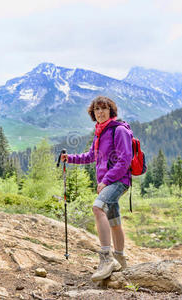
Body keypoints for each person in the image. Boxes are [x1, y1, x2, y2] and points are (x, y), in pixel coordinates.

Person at [61, 96, 133, 281]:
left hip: (119, 181)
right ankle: (120, 260)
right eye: (96, 109)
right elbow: (92, 156)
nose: (100, 112)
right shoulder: (100, 132)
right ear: (93, 113)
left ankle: (106, 259)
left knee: (98, 207)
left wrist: (106, 180)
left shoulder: (119, 130)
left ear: (111, 111)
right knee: (114, 220)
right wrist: (70, 158)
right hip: (108, 182)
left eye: (103, 109)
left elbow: (125, 161)